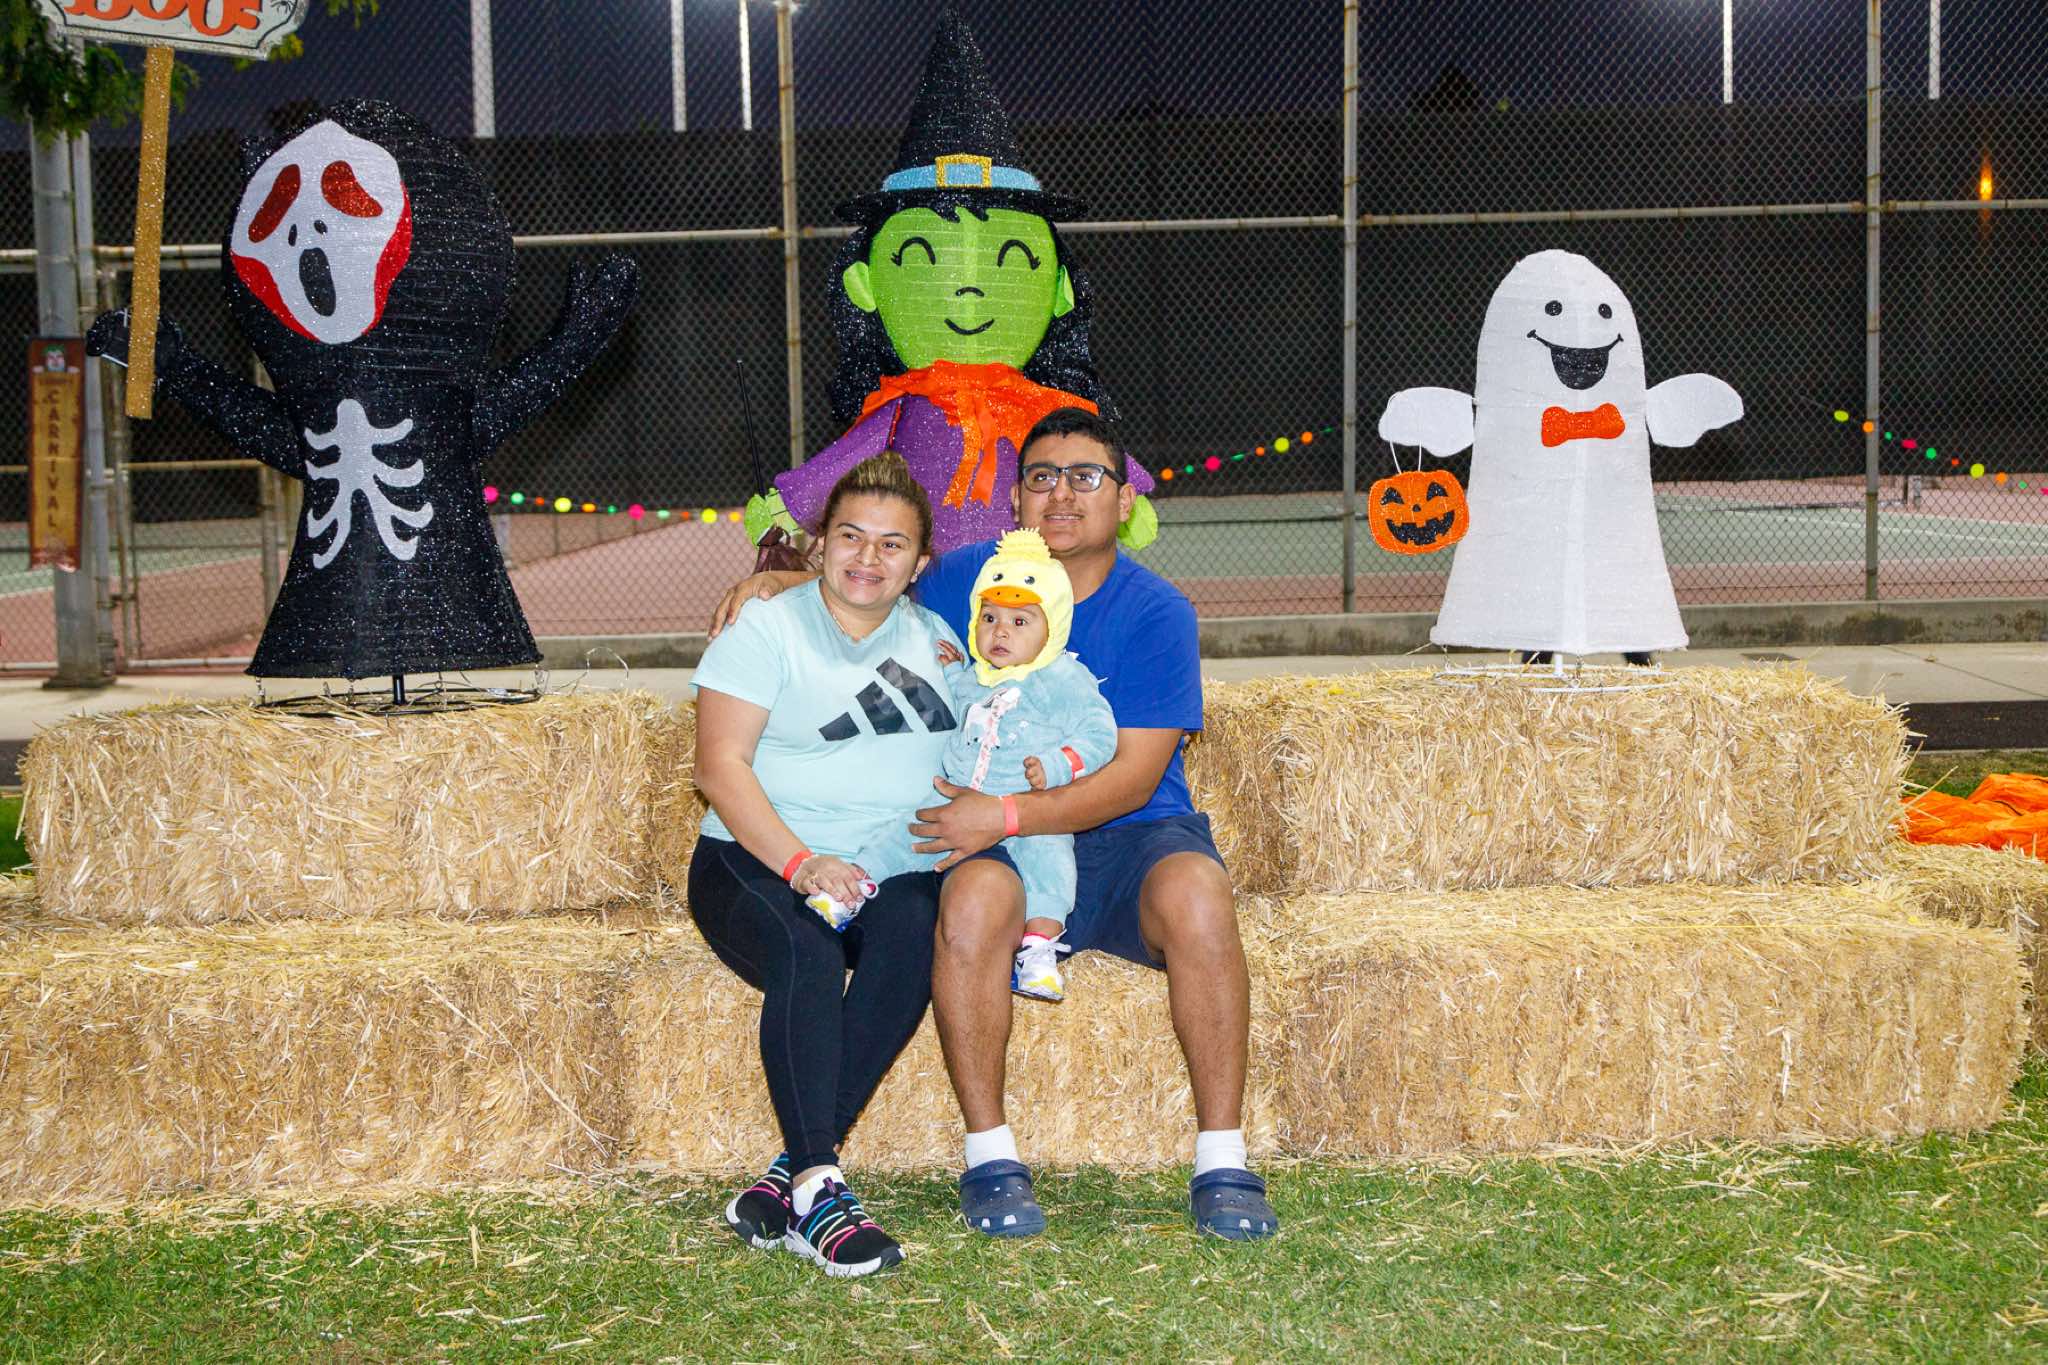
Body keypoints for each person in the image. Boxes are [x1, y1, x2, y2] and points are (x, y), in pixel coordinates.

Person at [711, 406, 1279, 1243]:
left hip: (1129, 834)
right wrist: (780, 583)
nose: (1061, 494)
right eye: (1041, 476)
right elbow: (873, 578)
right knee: (967, 900)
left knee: (1200, 892)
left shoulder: (1158, 610)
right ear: (1015, 497)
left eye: (1086, 477)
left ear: (1125, 501)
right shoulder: (969, 576)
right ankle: (990, 1154)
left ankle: (1223, 1158)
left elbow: (1131, 775)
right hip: (1001, 841)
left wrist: (1006, 810)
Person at [688, 451, 963, 1278]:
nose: (867, 557)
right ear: (819, 544)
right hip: (756, 859)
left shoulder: (941, 638)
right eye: (850, 536)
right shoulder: (766, 628)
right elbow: (719, 767)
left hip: (883, 867)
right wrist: (802, 863)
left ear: (919, 563)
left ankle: (793, 1175)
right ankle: (820, 1189)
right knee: (806, 948)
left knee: (917, 926)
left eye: (891, 544)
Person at [813, 528, 1119, 1005]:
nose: (1000, 632)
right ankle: (853, 888)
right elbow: (959, 702)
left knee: (1052, 865)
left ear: (1053, 627)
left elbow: (1100, 733)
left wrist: (1059, 766)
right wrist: (954, 670)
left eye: (1020, 622)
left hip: (1025, 803)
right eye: (989, 618)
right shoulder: (978, 676)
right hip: (955, 795)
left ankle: (1039, 950)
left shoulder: (1062, 678)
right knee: (903, 834)